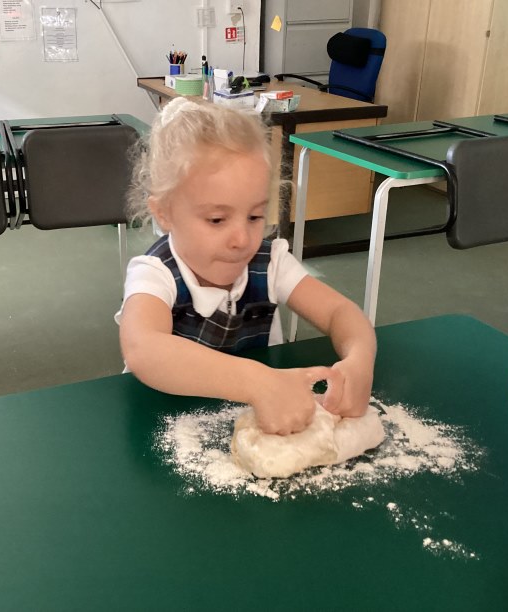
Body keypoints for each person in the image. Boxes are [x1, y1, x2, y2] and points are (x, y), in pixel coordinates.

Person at [115, 98, 376, 436]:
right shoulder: (155, 273)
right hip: (160, 426)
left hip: (251, 421)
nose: (241, 238)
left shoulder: (270, 263)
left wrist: (359, 361)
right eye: (217, 219)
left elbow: (340, 312)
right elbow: (144, 349)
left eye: (254, 216)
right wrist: (257, 382)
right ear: (164, 213)